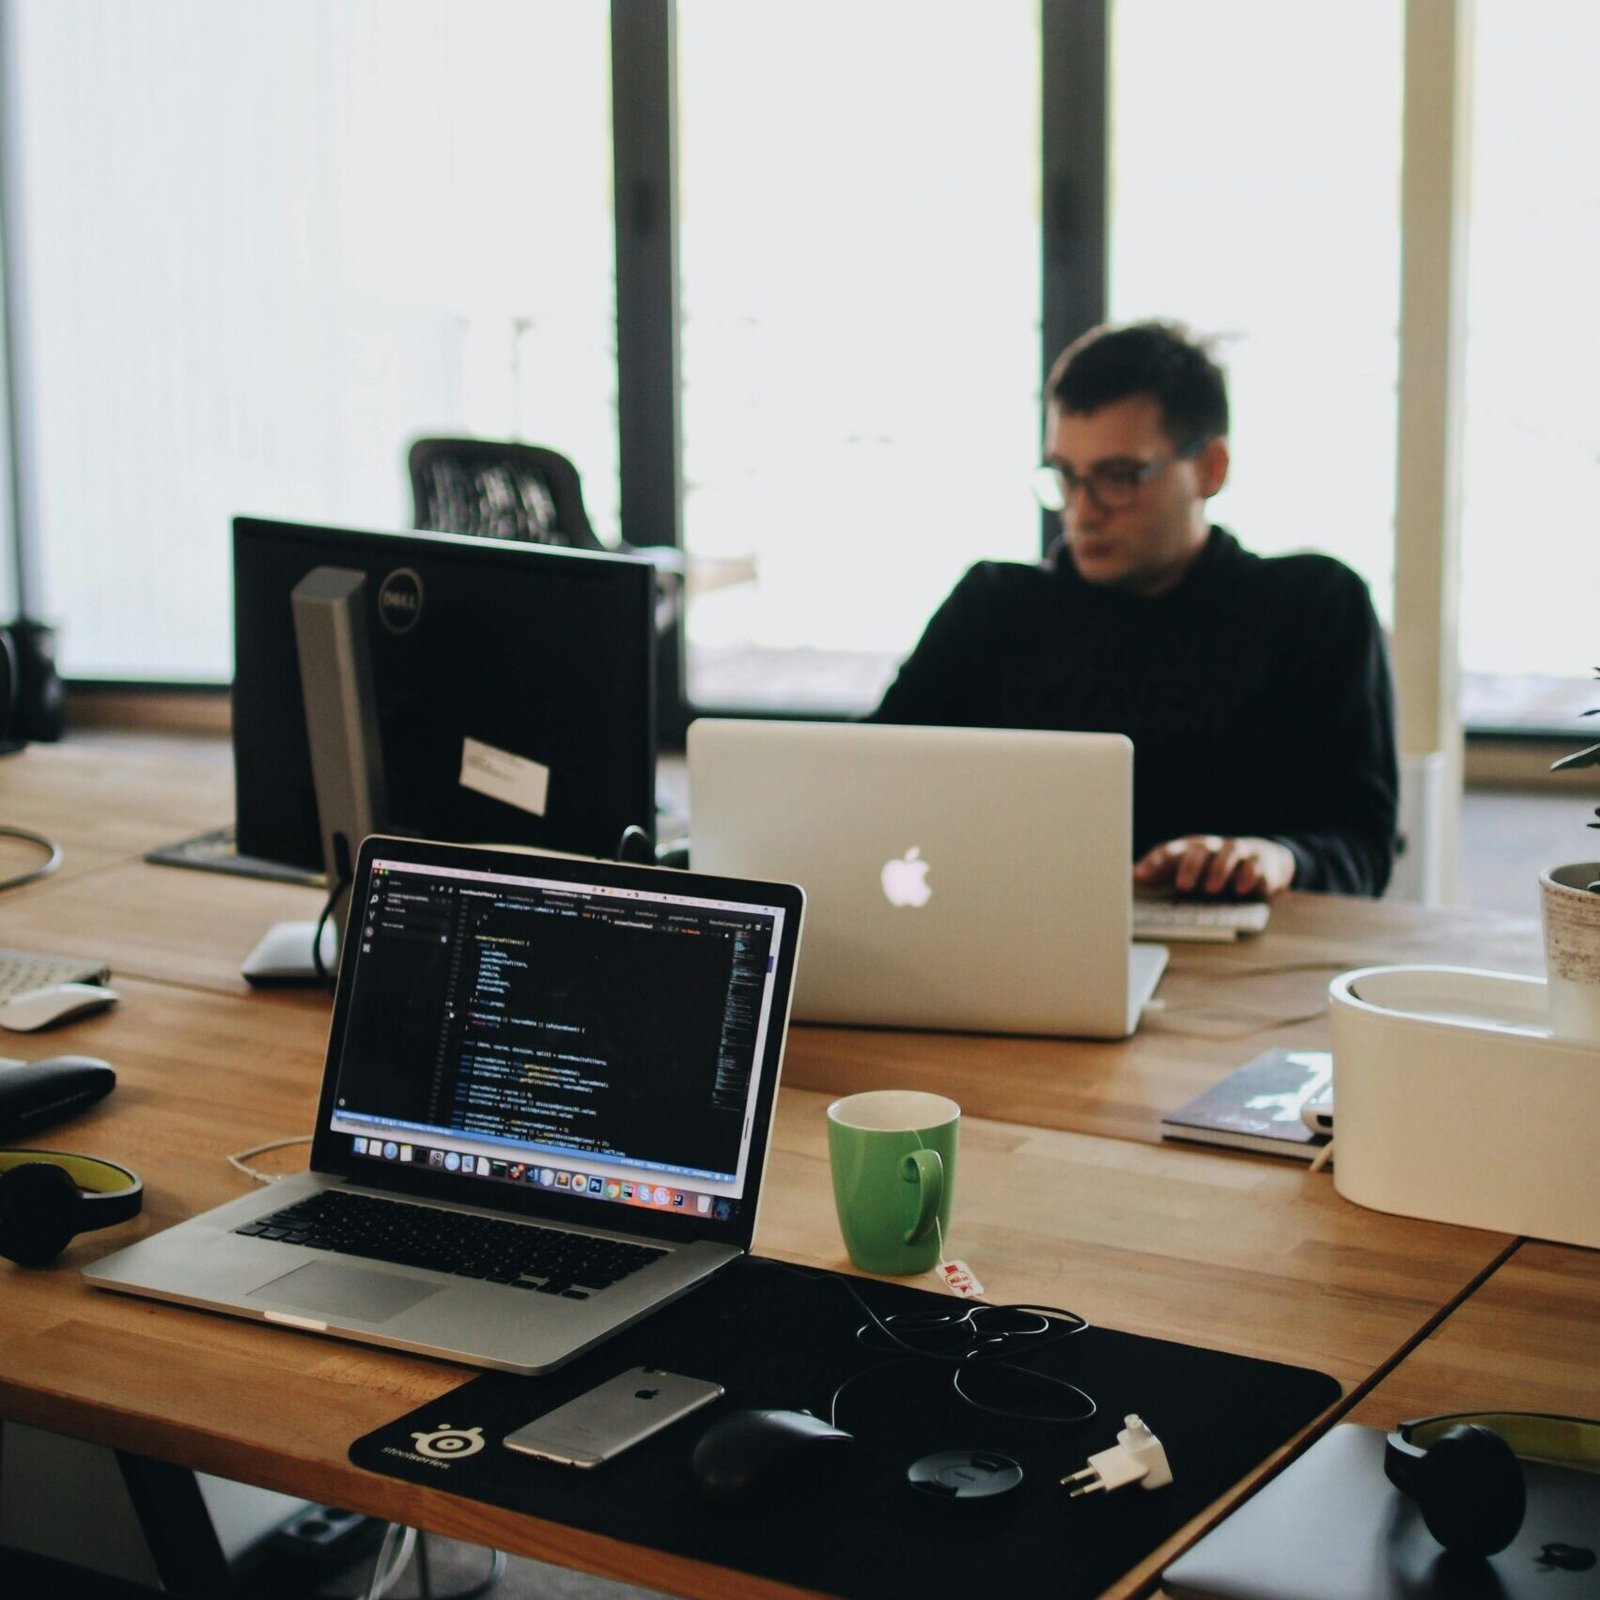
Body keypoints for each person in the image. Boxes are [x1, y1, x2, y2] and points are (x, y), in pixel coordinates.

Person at [870, 320, 1398, 898]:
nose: (1082, 511)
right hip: (1012, 933)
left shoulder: (1314, 607)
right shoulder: (992, 607)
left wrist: (1277, 858)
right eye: (1066, 476)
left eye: (1119, 477)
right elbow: (867, 778)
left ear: (1211, 468)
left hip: (1246, 946)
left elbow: (1363, 847)